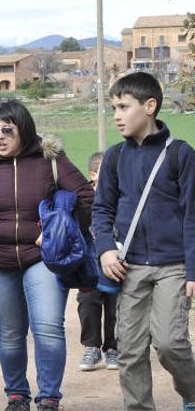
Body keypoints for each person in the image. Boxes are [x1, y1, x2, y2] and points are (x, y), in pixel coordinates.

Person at [0, 99, 93, 411]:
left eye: (8, 131)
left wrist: (57, 233)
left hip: (41, 259)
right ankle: (17, 398)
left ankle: (49, 402)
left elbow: (86, 197)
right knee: (12, 333)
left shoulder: (49, 159)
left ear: (24, 131)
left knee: (47, 327)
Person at [92, 72, 195, 411]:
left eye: (123, 107)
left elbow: (192, 216)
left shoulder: (180, 154)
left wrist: (193, 270)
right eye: (113, 107)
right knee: (130, 350)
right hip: (130, 266)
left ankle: (192, 392)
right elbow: (101, 209)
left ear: (149, 107)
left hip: (173, 265)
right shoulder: (116, 157)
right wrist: (105, 250)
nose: (116, 115)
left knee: (169, 342)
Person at [76, 151, 118, 371]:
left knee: (115, 304)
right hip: (89, 261)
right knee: (88, 301)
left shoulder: (120, 196)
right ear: (93, 174)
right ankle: (91, 346)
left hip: (115, 260)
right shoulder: (83, 199)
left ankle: (113, 348)